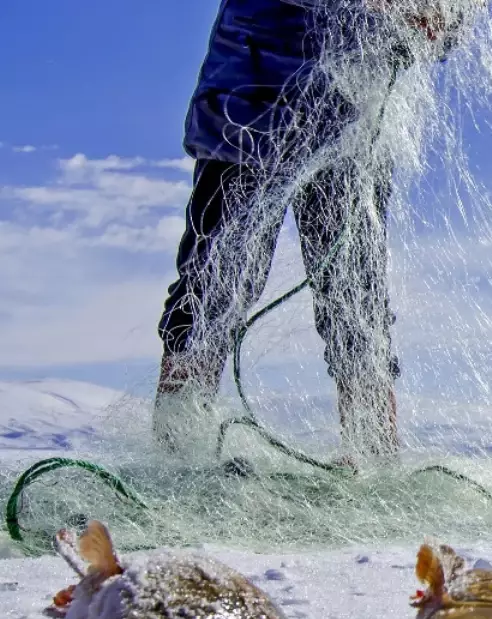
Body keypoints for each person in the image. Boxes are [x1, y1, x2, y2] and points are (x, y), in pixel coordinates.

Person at [154, 0, 472, 458]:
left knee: (358, 307)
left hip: (353, 123)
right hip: (250, 96)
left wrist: (445, 15)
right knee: (212, 289)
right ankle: (173, 458)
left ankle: (373, 460)